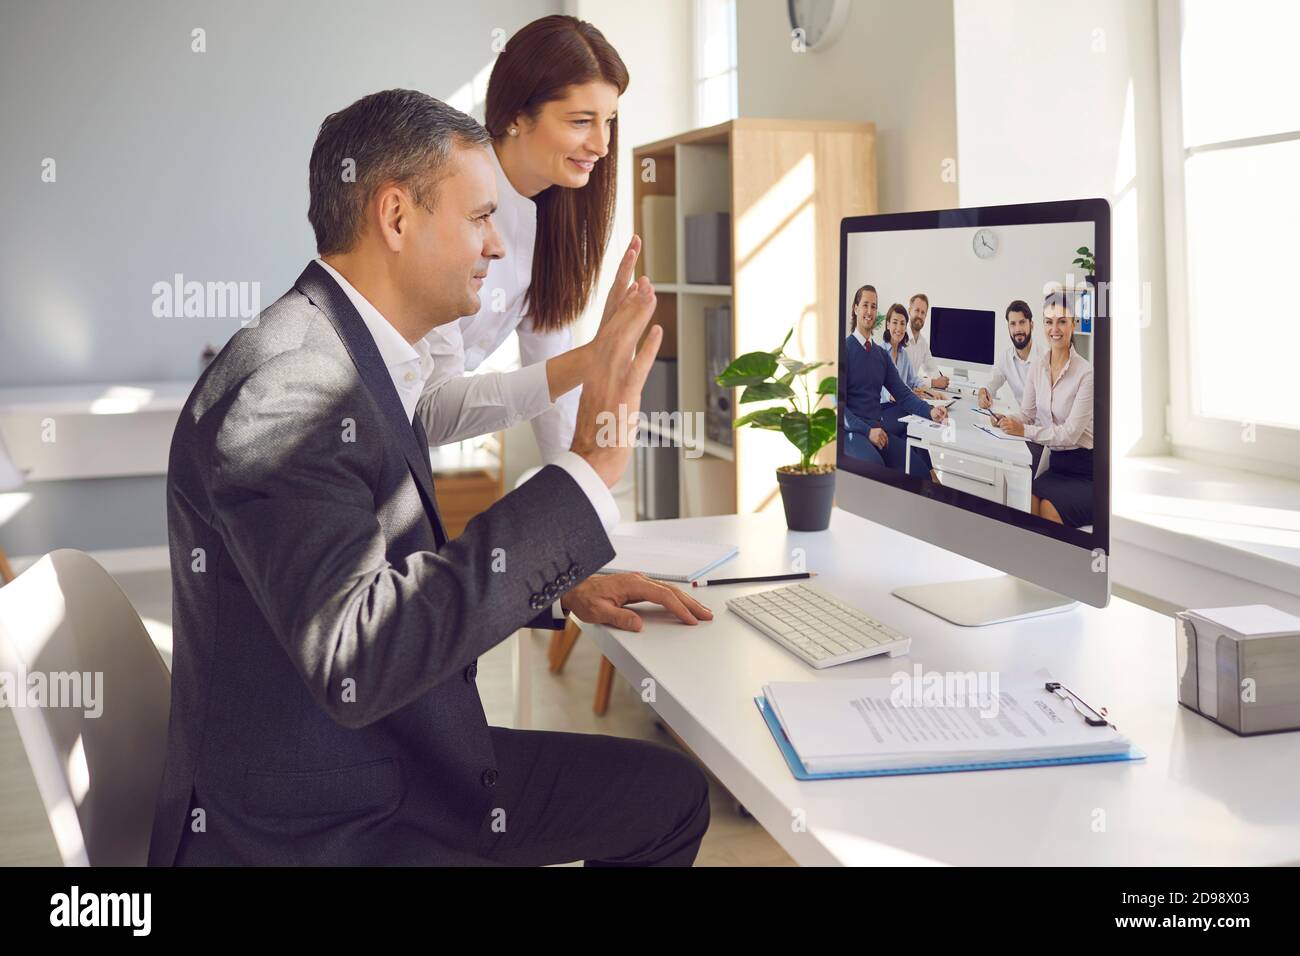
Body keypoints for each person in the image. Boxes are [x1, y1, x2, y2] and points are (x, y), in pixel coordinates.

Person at [149, 90, 715, 868]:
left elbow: (384, 578)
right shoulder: (292, 388)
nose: (495, 248)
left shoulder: (350, 354)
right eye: (481, 218)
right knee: (668, 800)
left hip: (381, 756)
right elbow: (358, 650)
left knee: (667, 795)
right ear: (395, 217)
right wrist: (588, 467)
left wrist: (561, 584)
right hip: (323, 820)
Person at [416, 15, 635, 461]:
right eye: (580, 121)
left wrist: (580, 497)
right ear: (517, 117)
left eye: (609, 121)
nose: (602, 144)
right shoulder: (447, 201)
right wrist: (592, 357)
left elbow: (550, 382)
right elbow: (430, 412)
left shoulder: (556, 217)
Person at [998, 291, 1094, 527]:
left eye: (1062, 321)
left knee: (1049, 509)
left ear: (1073, 323)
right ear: (1042, 325)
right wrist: (1008, 420)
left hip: (1085, 469)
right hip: (1057, 464)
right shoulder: (1038, 365)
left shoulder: (1086, 373)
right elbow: (1027, 415)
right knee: (1026, 502)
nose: (1055, 329)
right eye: (1049, 322)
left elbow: (1070, 433)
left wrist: (1024, 431)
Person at [842, 285, 948, 471]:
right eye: (865, 305)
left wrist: (931, 411)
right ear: (855, 308)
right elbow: (837, 406)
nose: (869, 311)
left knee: (918, 470)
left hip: (878, 429)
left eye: (873, 306)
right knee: (877, 467)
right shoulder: (843, 349)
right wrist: (867, 432)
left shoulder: (880, 355)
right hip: (853, 432)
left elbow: (904, 394)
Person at [978, 299, 1043, 411]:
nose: (1017, 329)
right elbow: (988, 386)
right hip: (1022, 422)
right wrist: (983, 395)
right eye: (1013, 324)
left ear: (1031, 325)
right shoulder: (1006, 357)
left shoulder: (1047, 358)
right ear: (1008, 327)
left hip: (1045, 425)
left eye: (1022, 322)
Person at [904, 293, 950, 390]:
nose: (919, 315)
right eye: (917, 310)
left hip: (913, 394)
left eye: (923, 312)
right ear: (909, 311)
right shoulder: (901, 338)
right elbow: (905, 379)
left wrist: (942, 380)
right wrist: (934, 382)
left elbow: (931, 368)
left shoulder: (922, 343)